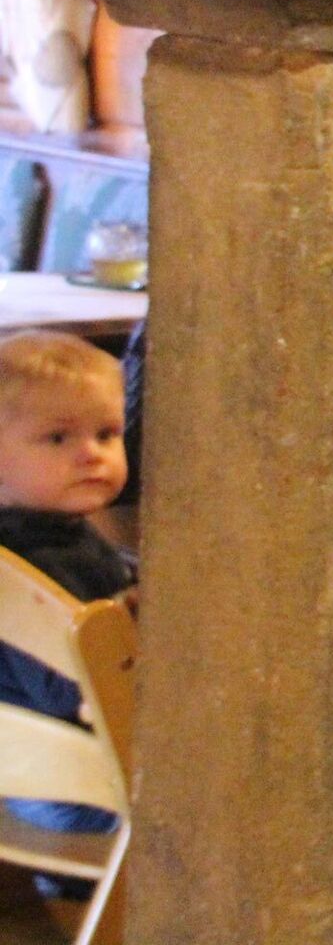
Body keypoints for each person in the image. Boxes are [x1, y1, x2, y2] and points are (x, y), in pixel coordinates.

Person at [0, 330, 134, 862]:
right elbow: (77, 695)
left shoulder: (51, 535)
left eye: (107, 433)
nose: (90, 454)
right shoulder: (34, 571)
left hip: (30, 768)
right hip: (70, 795)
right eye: (58, 439)